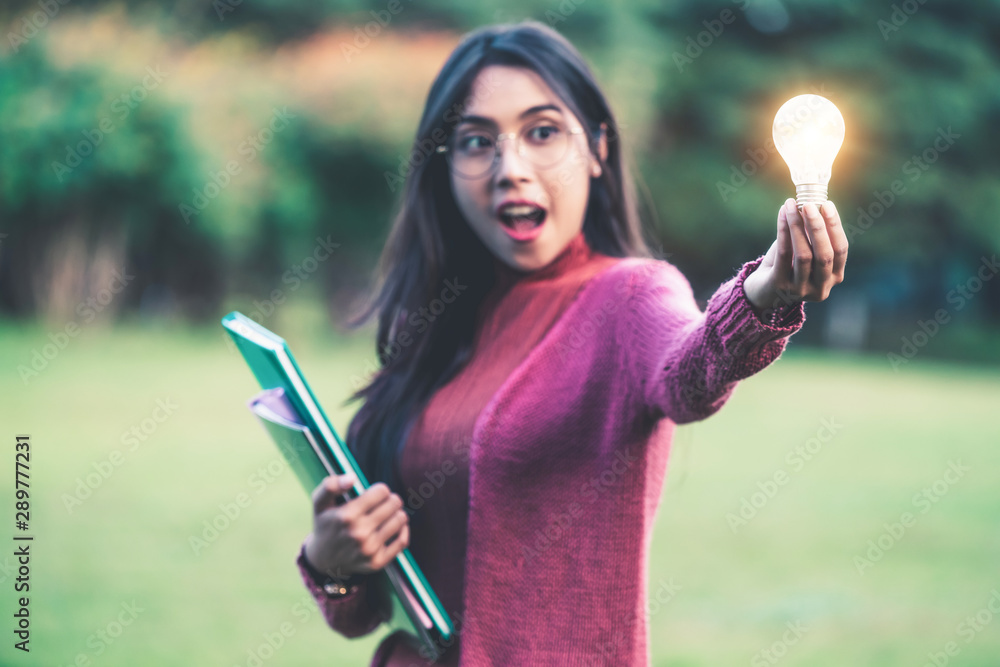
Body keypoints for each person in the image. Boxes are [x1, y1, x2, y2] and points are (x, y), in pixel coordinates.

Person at [295, 19, 847, 667]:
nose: (510, 168)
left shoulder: (628, 296)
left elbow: (693, 368)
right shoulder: (438, 331)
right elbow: (358, 616)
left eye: (543, 132)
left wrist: (768, 291)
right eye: (476, 142)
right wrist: (331, 560)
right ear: (443, 168)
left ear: (598, 150)